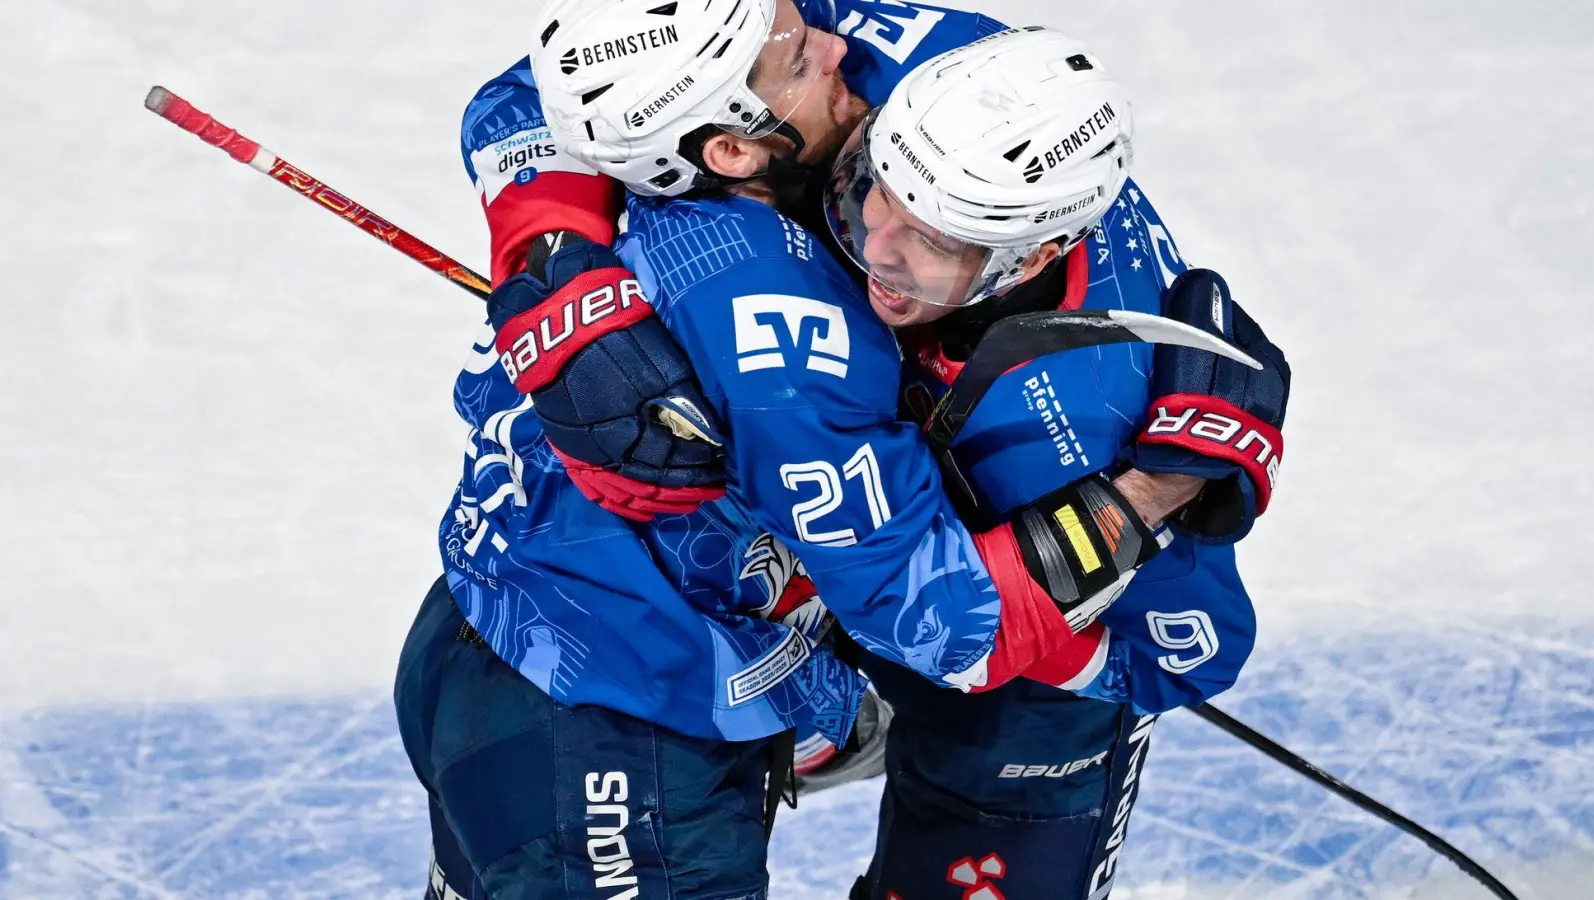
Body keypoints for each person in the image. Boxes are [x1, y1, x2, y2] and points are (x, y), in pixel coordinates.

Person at [395, 4, 1288, 900]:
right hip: (621, 704)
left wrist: (1161, 481)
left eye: (932, 237)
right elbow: (565, 77)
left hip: (514, 624)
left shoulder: (1085, 405)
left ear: (1033, 253)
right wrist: (550, 256)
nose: (837, 48)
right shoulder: (799, 307)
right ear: (730, 148)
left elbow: (1170, 648)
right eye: (875, 189)